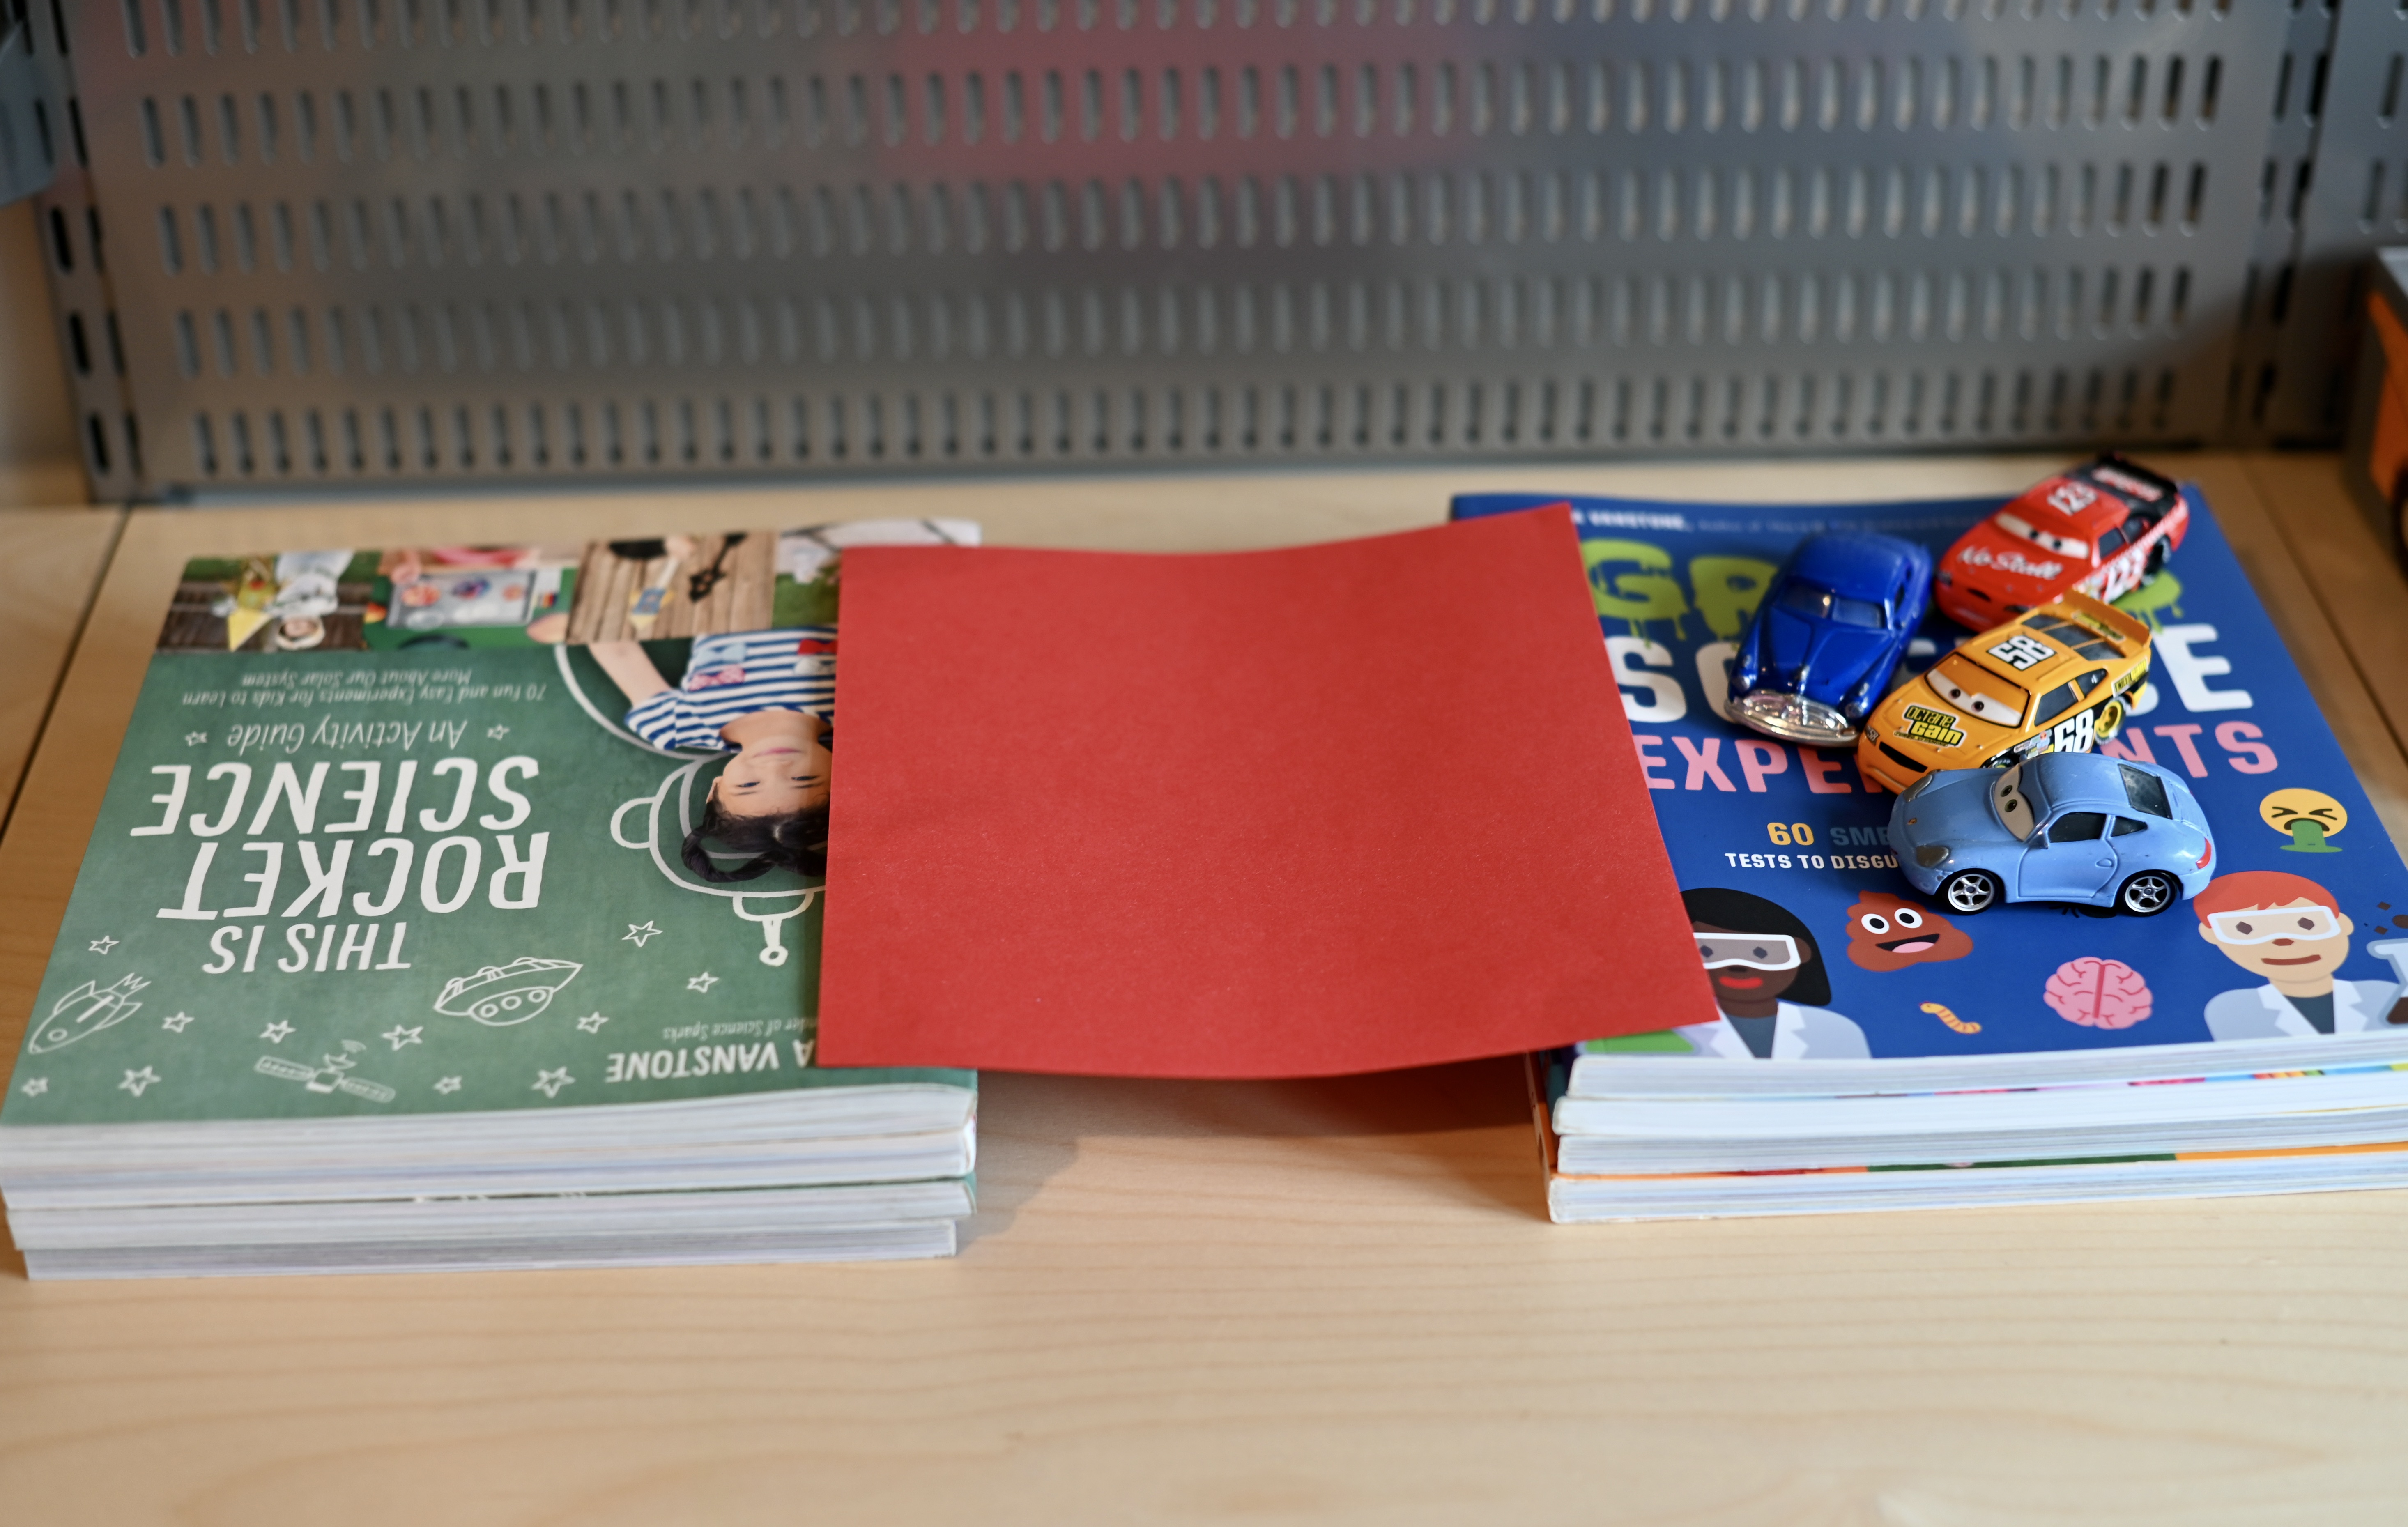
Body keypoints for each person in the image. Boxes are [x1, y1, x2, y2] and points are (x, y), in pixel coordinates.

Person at [588, 626, 835, 882]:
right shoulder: (857, 710)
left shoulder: (674, 725)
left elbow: (618, 652)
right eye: (804, 779)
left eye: (749, 784)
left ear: (714, 790)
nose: (774, 767)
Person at [2195, 870, 2406, 1039]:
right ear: (2212, 936)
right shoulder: (2233, 1009)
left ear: (2343, 923)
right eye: (2246, 930)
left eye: (2307, 924)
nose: (2284, 942)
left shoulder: (2385, 994)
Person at [1668, 887, 1871, 1060]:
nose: (1738, 967)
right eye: (1708, 952)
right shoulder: (1674, 1031)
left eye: (1762, 953)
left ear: (1802, 952)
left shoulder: (1836, 1031)